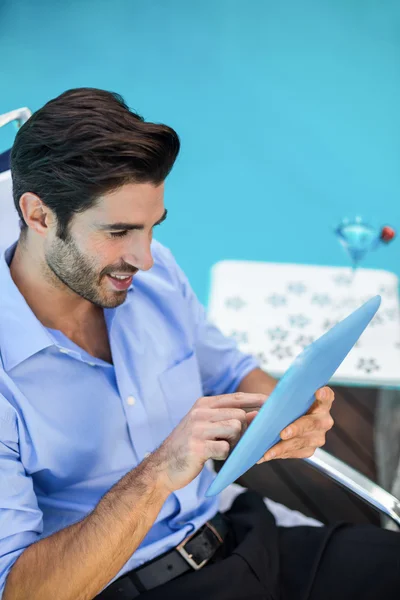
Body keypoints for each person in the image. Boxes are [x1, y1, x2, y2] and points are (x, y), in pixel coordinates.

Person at [0, 88, 398, 600]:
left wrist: (291, 414)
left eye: (150, 228)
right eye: (119, 230)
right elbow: (22, 592)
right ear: (38, 215)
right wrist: (158, 472)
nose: (144, 258)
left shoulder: (151, 272)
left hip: (246, 539)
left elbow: (232, 373)